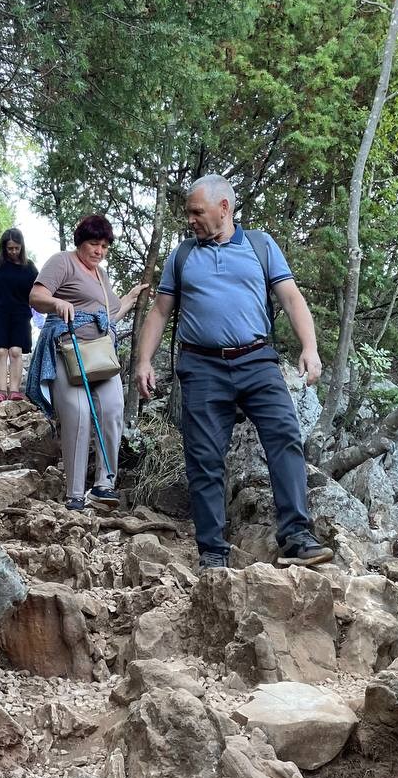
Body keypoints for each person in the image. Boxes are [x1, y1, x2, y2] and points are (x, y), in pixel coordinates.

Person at [134, 174, 333, 569]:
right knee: (204, 456)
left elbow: (291, 298)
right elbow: (159, 311)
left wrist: (310, 348)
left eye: (197, 211)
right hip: (201, 366)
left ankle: (296, 536)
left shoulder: (260, 245)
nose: (190, 219)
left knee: (285, 437)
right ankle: (212, 551)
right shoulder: (182, 255)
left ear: (224, 207)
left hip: (257, 360)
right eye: (189, 212)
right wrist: (142, 361)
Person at [27, 214, 148, 511]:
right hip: (68, 350)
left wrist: (131, 297)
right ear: (80, 241)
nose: (99, 251)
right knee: (78, 413)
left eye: (104, 246)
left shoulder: (102, 275)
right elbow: (36, 296)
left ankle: (104, 485)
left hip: (100, 353)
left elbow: (108, 316)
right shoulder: (62, 262)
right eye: (94, 243)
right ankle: (75, 493)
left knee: (113, 408)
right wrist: (57, 303)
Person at [0, 227, 38, 402]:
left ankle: (14, 390)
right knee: (0, 351)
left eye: (16, 248)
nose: (13, 251)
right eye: (10, 248)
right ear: (4, 247)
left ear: (22, 247)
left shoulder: (29, 267)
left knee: (15, 351)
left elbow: (38, 289)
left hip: (20, 313)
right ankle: (1, 390)